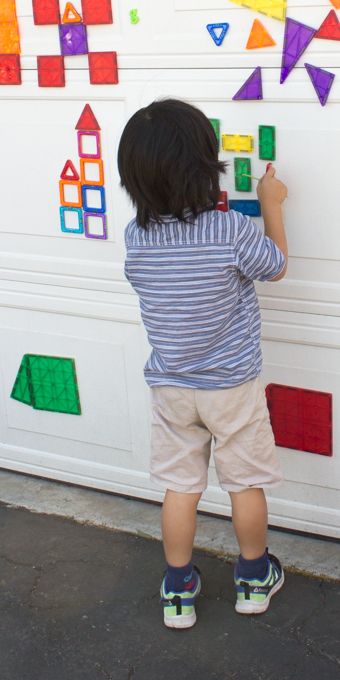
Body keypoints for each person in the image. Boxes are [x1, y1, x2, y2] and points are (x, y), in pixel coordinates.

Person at [118, 98, 288, 629]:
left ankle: (178, 589)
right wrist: (272, 203)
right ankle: (255, 578)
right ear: (204, 166)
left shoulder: (137, 238)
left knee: (180, 486)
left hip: (172, 388)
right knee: (244, 483)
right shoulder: (229, 230)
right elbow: (276, 267)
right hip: (231, 388)